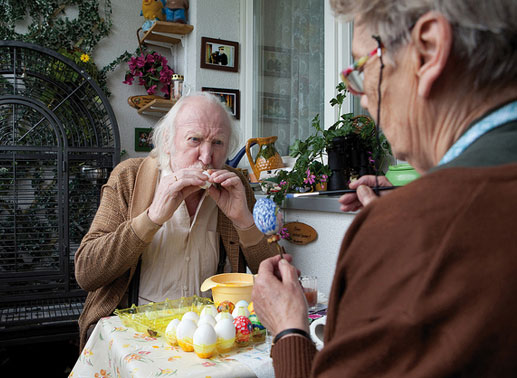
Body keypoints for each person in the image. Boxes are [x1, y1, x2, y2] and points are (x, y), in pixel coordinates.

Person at [252, 0, 517, 376]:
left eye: (361, 67)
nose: (358, 93)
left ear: (427, 51)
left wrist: (288, 330)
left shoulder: (408, 228)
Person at [75, 92, 277, 350]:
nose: (206, 156)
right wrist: (151, 218)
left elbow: (275, 276)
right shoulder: (129, 177)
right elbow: (86, 272)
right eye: (195, 140)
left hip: (209, 338)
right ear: (167, 142)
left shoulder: (235, 186)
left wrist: (244, 221)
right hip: (136, 336)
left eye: (218, 143)